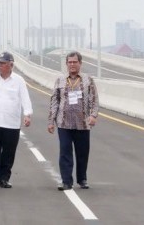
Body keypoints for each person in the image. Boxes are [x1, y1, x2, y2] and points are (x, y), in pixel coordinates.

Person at [0, 52, 33, 189]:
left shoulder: (19, 80)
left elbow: (25, 98)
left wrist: (27, 114)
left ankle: (4, 178)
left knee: (9, 152)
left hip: (11, 123)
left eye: (3, 63)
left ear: (11, 65)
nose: (0, 65)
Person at [47, 51, 99, 191]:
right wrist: (51, 121)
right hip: (63, 123)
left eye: (75, 62)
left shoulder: (88, 80)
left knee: (82, 152)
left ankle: (82, 179)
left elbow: (94, 99)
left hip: (83, 123)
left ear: (80, 63)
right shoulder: (60, 80)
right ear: (66, 64)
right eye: (69, 62)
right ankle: (66, 181)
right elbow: (54, 101)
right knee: (65, 151)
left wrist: (93, 115)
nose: (72, 65)